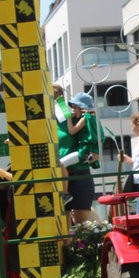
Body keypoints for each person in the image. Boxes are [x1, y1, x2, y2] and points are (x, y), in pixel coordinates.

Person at [59, 92, 100, 223]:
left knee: (60, 164)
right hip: (86, 153)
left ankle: (65, 194)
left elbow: (72, 131)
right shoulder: (92, 118)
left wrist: (69, 118)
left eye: (75, 107)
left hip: (83, 153)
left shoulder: (85, 118)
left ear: (81, 108)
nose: (73, 110)